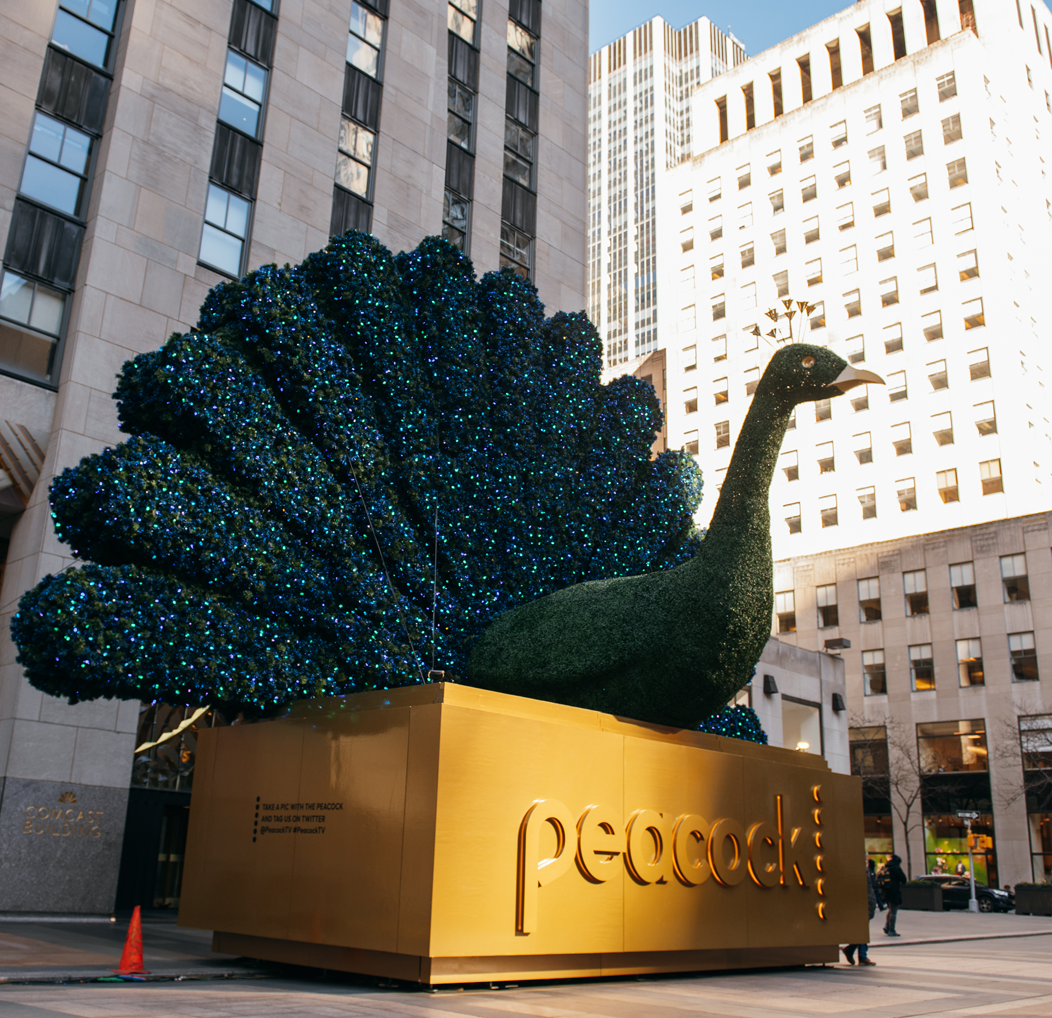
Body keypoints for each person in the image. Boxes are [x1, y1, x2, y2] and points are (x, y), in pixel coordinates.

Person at [843, 858, 879, 966]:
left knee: (863, 930)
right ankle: (860, 955)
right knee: (863, 930)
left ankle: (854, 951)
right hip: (863, 903)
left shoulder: (865, 870)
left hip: (866, 902)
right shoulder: (861, 870)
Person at [877, 854, 907, 936]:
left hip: (885, 892)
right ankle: (891, 929)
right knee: (893, 911)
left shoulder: (885, 867)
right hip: (894, 892)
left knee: (890, 910)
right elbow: (904, 879)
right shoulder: (896, 868)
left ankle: (887, 926)